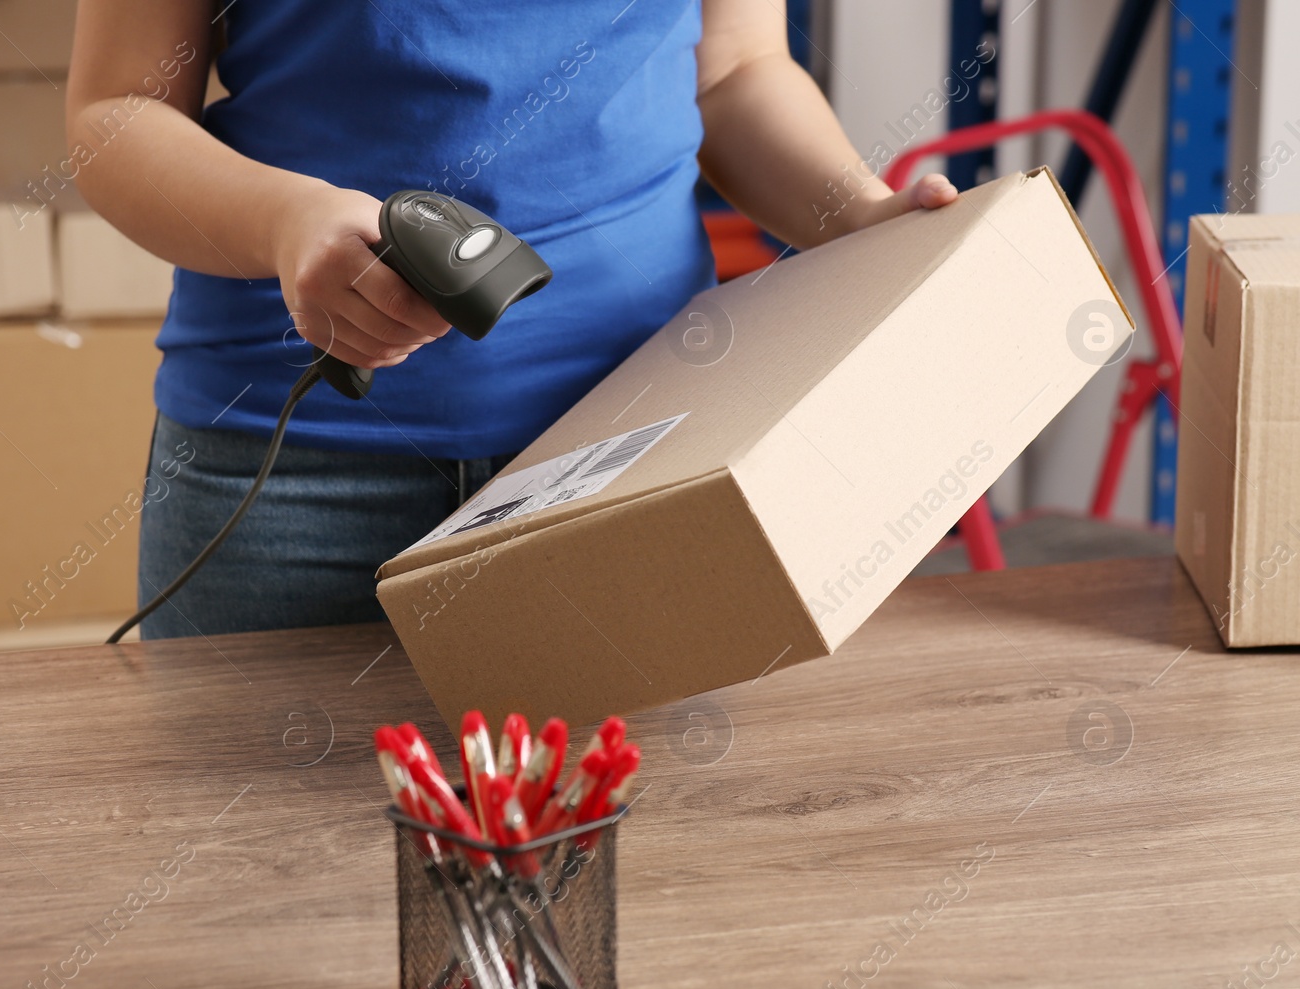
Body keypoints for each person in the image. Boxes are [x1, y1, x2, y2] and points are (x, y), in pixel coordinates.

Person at [67, 1, 958, 639]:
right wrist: (283, 221)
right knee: (256, 874)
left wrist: (860, 218)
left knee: (635, 877)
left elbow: (732, 70)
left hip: (637, 449)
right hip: (291, 467)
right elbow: (116, 109)